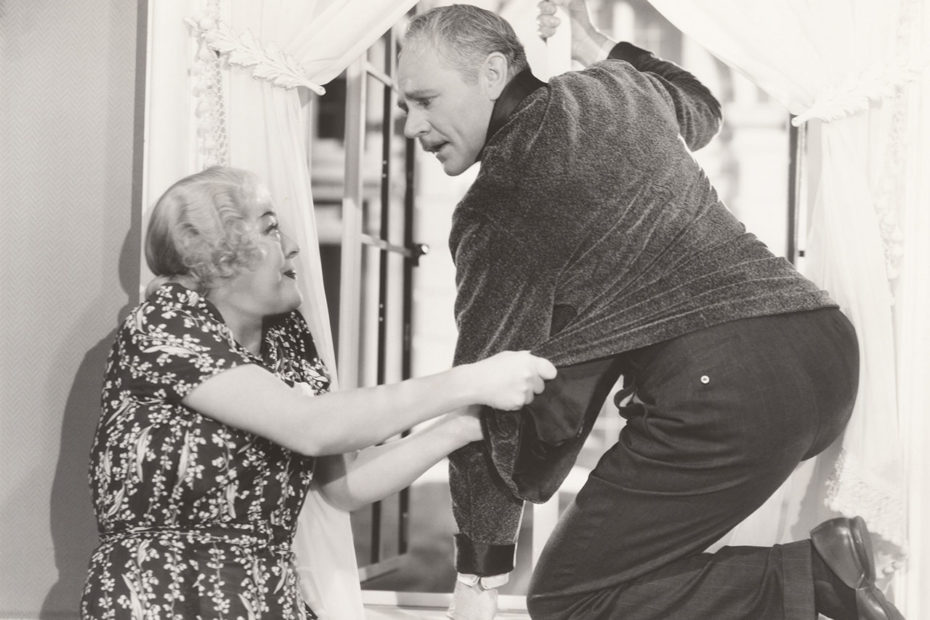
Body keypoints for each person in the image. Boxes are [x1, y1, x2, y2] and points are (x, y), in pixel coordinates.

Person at [396, 2, 904, 620]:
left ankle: (814, 573)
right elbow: (703, 110)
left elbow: (489, 392)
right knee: (632, 580)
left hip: (728, 395)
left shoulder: (497, 206)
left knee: (570, 598)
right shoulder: (615, 88)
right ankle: (815, 575)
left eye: (425, 100)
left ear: (494, 71)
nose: (411, 126)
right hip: (824, 352)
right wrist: (594, 44)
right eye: (404, 106)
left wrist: (478, 578)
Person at [79, 166, 557, 619]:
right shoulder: (165, 321)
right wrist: (470, 379)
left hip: (268, 599)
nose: (293, 248)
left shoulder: (287, 337)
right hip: (161, 597)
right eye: (270, 229)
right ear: (210, 252)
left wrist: (460, 427)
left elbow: (343, 485)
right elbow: (311, 428)